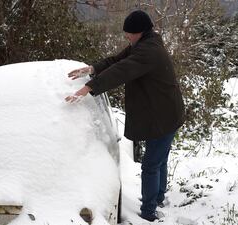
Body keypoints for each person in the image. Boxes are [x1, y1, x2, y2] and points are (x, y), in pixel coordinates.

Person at [65, 10, 185, 222]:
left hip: (163, 117)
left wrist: (89, 88)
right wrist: (92, 69)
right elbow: (117, 60)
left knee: (151, 165)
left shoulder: (148, 51)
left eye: (129, 33)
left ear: (140, 32)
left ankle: (148, 213)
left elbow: (122, 70)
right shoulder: (144, 44)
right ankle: (157, 198)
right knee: (159, 160)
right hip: (165, 112)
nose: (126, 37)